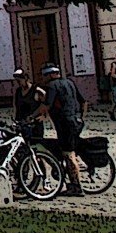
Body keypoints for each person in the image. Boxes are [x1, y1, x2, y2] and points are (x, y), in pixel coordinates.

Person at [42, 63, 88, 193]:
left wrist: (34, 116)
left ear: (50, 75)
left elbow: (47, 105)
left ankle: (76, 186)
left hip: (65, 123)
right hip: (76, 121)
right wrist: (81, 116)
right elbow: (84, 101)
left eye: (44, 75)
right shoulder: (70, 82)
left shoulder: (52, 86)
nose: (43, 78)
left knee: (68, 154)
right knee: (67, 151)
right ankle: (72, 179)